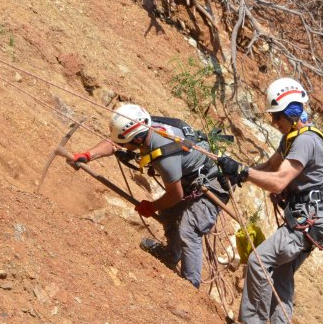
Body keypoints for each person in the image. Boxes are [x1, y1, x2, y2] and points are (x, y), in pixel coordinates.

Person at [218, 78, 323, 324]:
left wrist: (244, 173)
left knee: (258, 260)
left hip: (307, 222)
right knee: (282, 277)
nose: (274, 123)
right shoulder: (291, 138)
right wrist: (238, 172)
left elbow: (278, 181)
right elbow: (271, 167)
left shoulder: (306, 141)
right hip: (312, 222)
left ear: (292, 114)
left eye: (277, 117)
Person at [67, 103, 229, 288]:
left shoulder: (164, 156)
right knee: (168, 214)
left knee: (189, 228)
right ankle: (171, 255)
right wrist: (88, 155)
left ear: (137, 141)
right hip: (189, 179)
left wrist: (152, 206)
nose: (122, 146)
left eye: (125, 144)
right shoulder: (146, 126)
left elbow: (175, 194)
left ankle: (191, 286)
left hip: (212, 185)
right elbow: (114, 143)